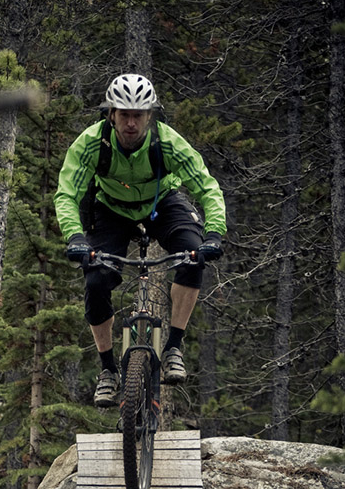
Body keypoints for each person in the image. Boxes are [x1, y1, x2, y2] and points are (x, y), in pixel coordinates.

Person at [54, 73, 227, 408]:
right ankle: (107, 370)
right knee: (96, 279)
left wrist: (214, 233)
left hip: (161, 204)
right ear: (111, 115)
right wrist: (76, 237)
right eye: (124, 114)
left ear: (150, 116)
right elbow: (67, 194)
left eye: (138, 115)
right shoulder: (92, 143)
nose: (131, 123)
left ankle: (173, 346)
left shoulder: (168, 142)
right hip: (110, 210)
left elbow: (207, 187)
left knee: (192, 255)